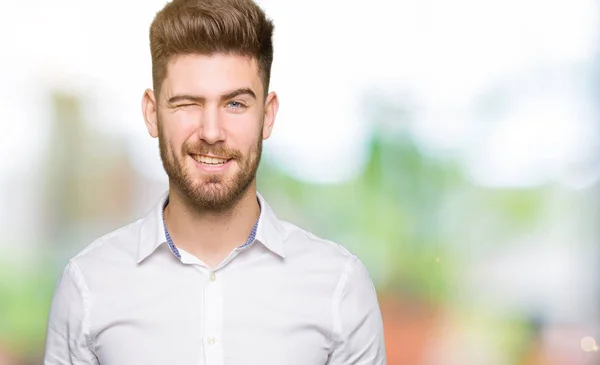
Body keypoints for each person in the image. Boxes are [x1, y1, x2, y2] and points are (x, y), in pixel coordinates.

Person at [43, 0, 387, 364]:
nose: (211, 132)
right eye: (187, 103)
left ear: (267, 116)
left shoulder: (340, 289)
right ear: (152, 113)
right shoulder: (88, 287)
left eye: (235, 104)